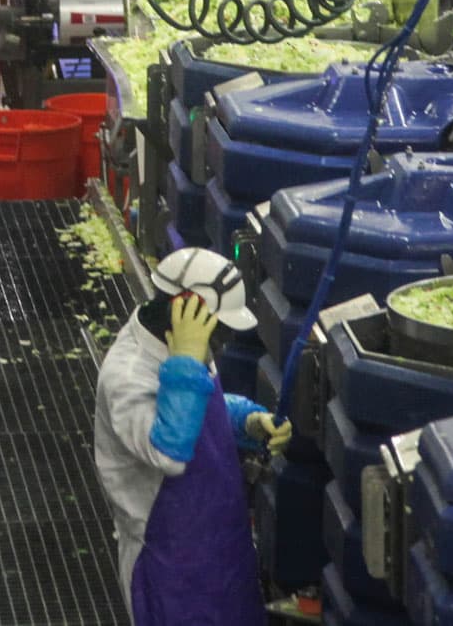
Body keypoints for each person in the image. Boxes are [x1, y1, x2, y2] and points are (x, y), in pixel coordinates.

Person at [93, 248, 291, 626]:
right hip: (169, 568)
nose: (225, 338)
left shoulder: (186, 344)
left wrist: (247, 422)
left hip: (225, 550)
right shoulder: (129, 375)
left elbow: (205, 401)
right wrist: (185, 360)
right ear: (187, 308)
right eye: (220, 325)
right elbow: (170, 450)